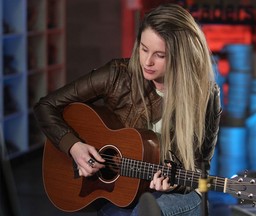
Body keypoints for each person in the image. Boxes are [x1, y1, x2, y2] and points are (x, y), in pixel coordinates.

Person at [34, 3, 222, 216]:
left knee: (151, 210)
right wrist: (74, 147)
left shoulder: (206, 94)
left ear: (182, 57)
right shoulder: (118, 75)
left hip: (178, 195)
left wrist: (174, 184)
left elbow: (200, 168)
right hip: (121, 189)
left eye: (160, 55)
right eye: (143, 49)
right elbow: (46, 106)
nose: (147, 62)